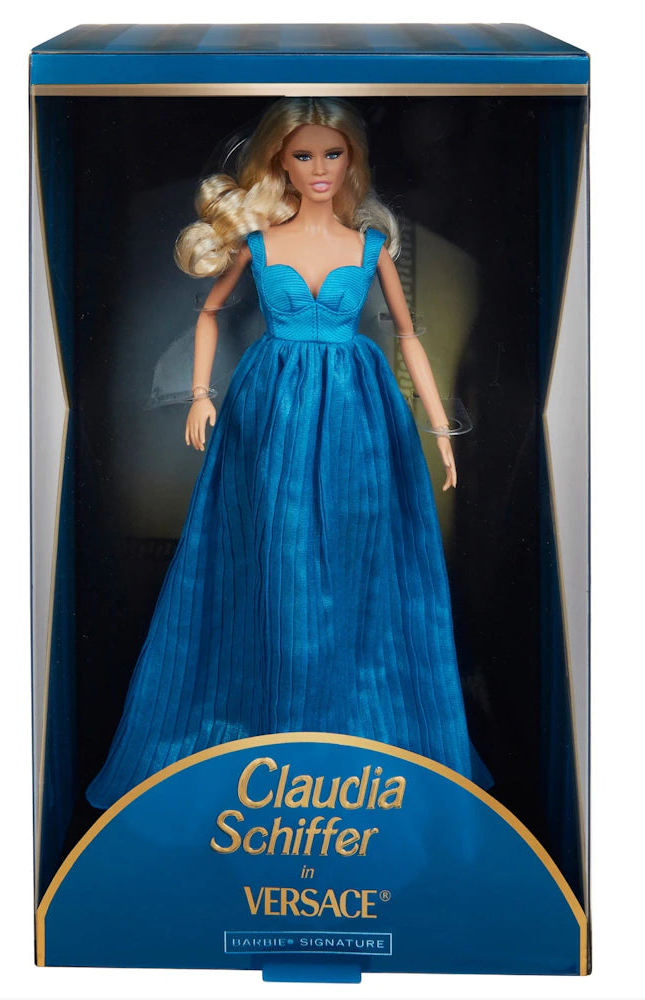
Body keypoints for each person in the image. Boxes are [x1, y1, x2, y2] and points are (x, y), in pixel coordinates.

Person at [85, 97, 485, 809]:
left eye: (332, 153)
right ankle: (274, 728)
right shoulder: (261, 244)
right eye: (304, 155)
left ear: (352, 159)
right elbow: (209, 312)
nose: (319, 168)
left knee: (360, 555)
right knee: (276, 553)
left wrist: (440, 431)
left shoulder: (370, 246)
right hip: (272, 406)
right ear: (281, 161)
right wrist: (201, 394)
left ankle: (348, 729)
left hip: (359, 409)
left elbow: (409, 335)